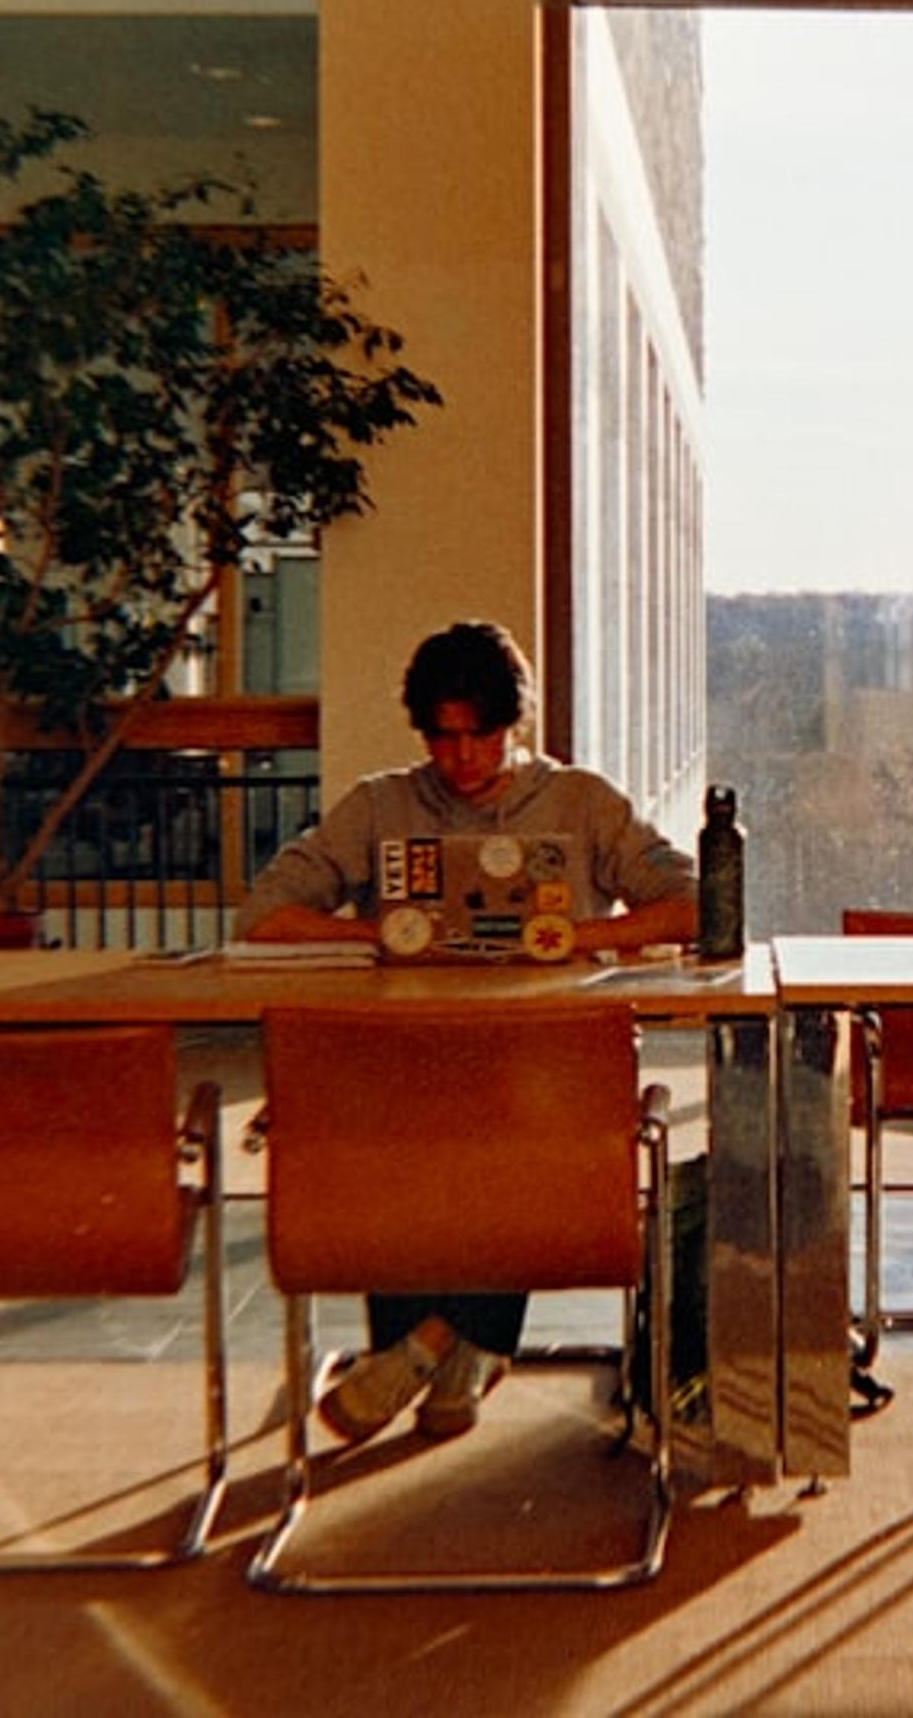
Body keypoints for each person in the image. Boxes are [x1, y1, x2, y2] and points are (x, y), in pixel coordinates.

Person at [238, 618, 697, 1443]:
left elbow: (692, 904)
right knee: (412, 1116)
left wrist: (576, 938)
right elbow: (264, 916)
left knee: (510, 1116)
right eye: (442, 738)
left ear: (515, 724)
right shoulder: (382, 804)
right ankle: (460, 1350)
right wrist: (378, 934)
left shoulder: (580, 801)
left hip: (542, 1063)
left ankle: (429, 1343)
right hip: (412, 1060)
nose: (462, 758)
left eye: (481, 736)